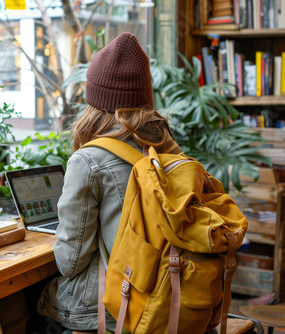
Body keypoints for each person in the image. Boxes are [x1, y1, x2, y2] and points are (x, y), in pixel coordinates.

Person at [34, 32, 183, 332]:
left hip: (113, 307)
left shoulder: (88, 161)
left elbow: (70, 261)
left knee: (34, 305)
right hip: (171, 296)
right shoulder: (170, 148)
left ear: (95, 101)